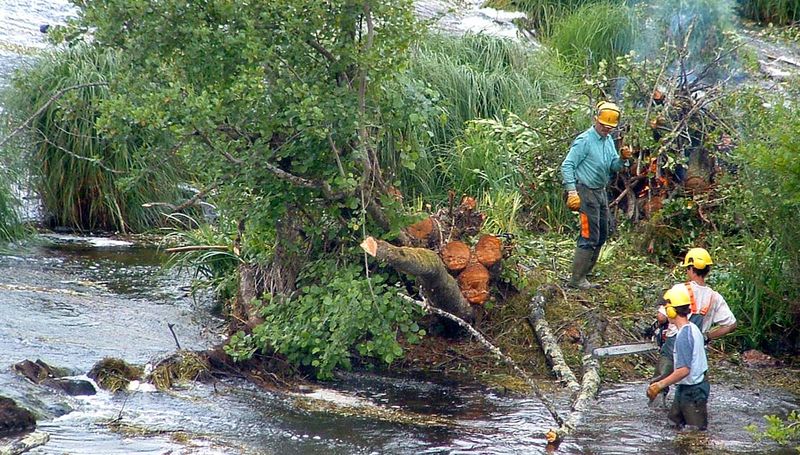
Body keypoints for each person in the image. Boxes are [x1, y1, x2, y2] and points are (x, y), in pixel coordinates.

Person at [561, 101, 632, 289]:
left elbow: (613, 166)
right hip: (585, 191)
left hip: (600, 191)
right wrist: (571, 191)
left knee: (603, 232)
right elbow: (567, 165)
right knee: (588, 235)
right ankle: (576, 279)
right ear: (595, 120)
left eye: (610, 127)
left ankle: (586, 273)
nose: (606, 130)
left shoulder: (608, 140)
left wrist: (623, 159)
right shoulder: (584, 140)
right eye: (603, 126)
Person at [652, 247, 737, 399]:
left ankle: (656, 414)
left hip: (674, 342)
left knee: (659, 384)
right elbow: (731, 325)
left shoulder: (679, 289)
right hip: (698, 347)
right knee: (695, 386)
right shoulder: (714, 297)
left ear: (691, 268)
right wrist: (707, 336)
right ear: (707, 270)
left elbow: (661, 318)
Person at [647, 283, 710, 430]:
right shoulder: (692, 328)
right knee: (673, 424)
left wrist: (659, 385)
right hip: (685, 387)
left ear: (671, 311)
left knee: (696, 433)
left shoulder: (684, 335)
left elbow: (684, 370)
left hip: (693, 390)